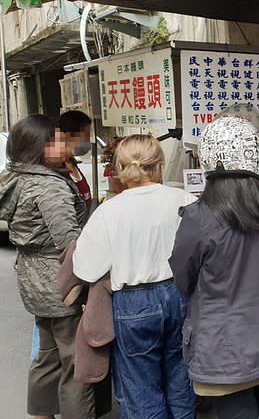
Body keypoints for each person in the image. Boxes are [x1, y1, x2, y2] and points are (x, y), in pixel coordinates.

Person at [170, 117, 259, 418]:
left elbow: (182, 277)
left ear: (209, 159)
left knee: (237, 410)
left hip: (225, 349)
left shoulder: (199, 218)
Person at [72, 134, 197, 418]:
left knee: (141, 391)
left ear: (119, 168)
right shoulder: (184, 199)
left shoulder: (109, 212)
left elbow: (86, 269)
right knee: (181, 381)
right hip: (180, 295)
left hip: (133, 305)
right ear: (159, 165)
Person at [0, 115, 94, 419]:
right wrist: (85, 284)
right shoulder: (48, 188)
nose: (66, 145)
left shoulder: (15, 176)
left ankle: (42, 414)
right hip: (58, 281)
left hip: (32, 279)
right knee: (75, 361)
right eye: (59, 140)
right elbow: (70, 244)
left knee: (48, 354)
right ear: (41, 147)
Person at [57, 110, 94, 216]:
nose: (87, 141)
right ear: (69, 136)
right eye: (86, 136)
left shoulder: (73, 163)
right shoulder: (56, 170)